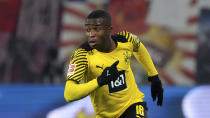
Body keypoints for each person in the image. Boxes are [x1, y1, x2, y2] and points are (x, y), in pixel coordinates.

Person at [64, 9, 163, 118]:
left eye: (96, 29)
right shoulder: (81, 55)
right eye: (88, 30)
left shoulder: (126, 40)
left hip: (132, 104)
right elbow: (69, 94)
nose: (91, 34)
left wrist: (154, 76)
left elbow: (139, 48)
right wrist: (100, 80)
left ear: (109, 30)